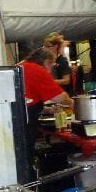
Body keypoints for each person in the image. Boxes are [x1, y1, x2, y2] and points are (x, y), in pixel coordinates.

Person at [19, 47, 72, 180]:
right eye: (52, 66)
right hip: (24, 125)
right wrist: (74, 104)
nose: (51, 71)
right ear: (47, 62)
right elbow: (62, 98)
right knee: (26, 162)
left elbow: (27, 98)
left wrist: (46, 110)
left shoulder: (21, 66)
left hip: (16, 120)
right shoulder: (37, 70)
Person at [44, 31, 73, 96]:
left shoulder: (62, 60)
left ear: (55, 46)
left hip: (63, 95)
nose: (46, 48)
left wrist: (48, 81)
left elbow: (66, 80)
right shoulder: (47, 60)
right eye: (45, 46)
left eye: (48, 46)